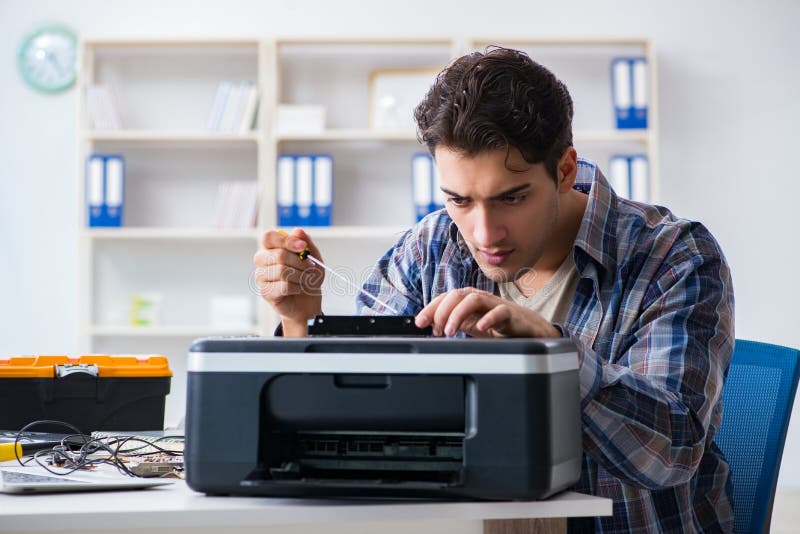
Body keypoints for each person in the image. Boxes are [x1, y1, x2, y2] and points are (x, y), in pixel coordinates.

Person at [253, 47, 735, 532]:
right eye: (459, 200)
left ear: (565, 170)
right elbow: (350, 424)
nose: (485, 235)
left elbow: (669, 453)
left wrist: (551, 351)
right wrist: (300, 322)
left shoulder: (674, 257)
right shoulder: (431, 247)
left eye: (512, 198)